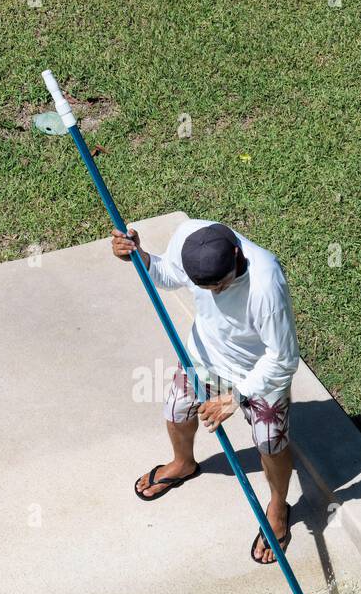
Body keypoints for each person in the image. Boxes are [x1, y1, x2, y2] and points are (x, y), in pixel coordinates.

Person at [111, 219, 300, 564]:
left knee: (271, 443)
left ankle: (276, 508)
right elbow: (170, 275)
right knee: (175, 412)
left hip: (258, 374)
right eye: (205, 287)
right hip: (204, 359)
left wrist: (237, 396)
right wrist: (142, 258)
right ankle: (183, 464)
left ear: (236, 254)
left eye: (220, 286)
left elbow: (284, 359)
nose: (213, 294)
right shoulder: (189, 237)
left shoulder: (266, 284)